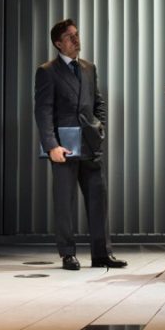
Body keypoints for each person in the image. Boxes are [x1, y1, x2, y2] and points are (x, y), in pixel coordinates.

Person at [34, 18, 127, 271]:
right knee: (65, 202)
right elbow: (43, 112)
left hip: (90, 144)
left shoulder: (88, 67)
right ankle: (67, 253)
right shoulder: (47, 71)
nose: (76, 40)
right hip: (63, 147)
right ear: (58, 43)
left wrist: (101, 127)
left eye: (77, 35)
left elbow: (98, 103)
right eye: (70, 37)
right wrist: (51, 145)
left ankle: (101, 254)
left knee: (99, 199)